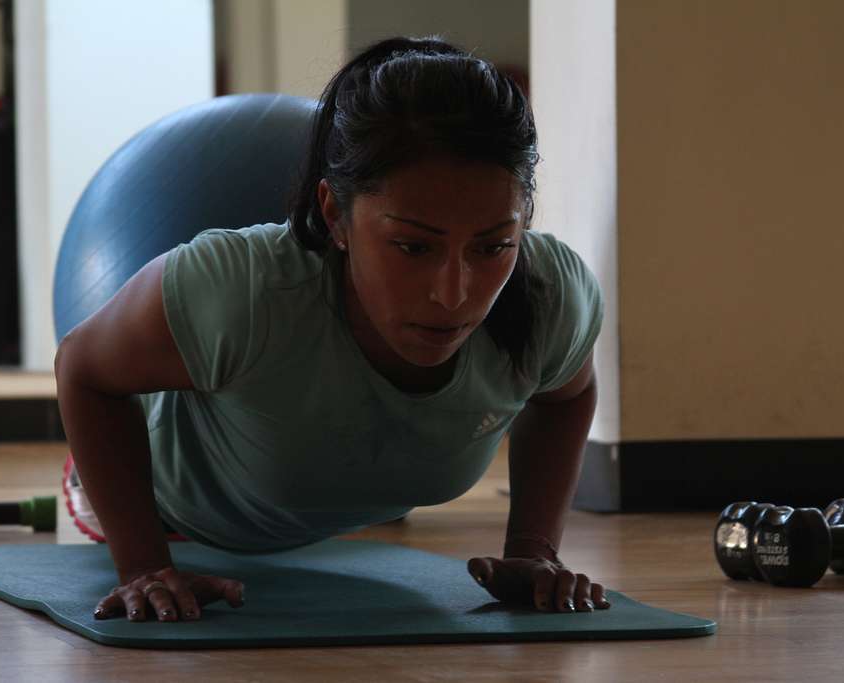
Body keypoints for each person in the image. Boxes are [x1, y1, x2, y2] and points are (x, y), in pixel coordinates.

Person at [54, 36, 608, 624]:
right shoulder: (241, 288)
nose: (454, 293)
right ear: (335, 215)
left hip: (326, 495)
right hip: (172, 510)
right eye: (413, 246)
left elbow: (567, 396)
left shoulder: (550, 293)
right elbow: (82, 366)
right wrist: (143, 565)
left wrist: (533, 550)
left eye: (494, 245)